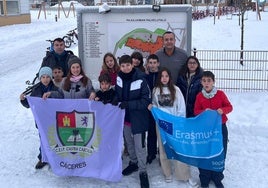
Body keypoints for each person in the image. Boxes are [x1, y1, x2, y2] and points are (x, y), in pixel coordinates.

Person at [112, 54, 151, 188]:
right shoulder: (119, 78)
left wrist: (129, 104)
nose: (126, 68)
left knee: (140, 146)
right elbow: (118, 92)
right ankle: (133, 163)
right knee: (129, 142)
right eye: (123, 66)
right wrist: (115, 98)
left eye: (128, 65)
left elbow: (146, 101)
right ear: (120, 66)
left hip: (138, 118)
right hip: (125, 118)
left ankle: (143, 171)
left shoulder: (141, 79)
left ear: (132, 65)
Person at [149, 67, 191, 184]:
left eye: (166, 76)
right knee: (163, 149)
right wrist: (153, 109)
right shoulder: (156, 90)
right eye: (162, 76)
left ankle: (183, 174)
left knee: (178, 148)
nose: (164, 78)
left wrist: (179, 122)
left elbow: (181, 107)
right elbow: (155, 106)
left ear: (170, 78)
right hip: (161, 125)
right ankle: (167, 172)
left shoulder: (176, 90)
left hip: (175, 124)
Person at [194, 71, 233, 188]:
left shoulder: (220, 94)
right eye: (204, 81)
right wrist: (203, 112)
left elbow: (229, 107)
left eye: (209, 81)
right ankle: (204, 178)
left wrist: (222, 110)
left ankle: (217, 177)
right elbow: (196, 111)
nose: (206, 83)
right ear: (201, 82)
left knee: (220, 152)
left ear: (213, 82)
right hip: (205, 130)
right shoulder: (199, 96)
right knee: (205, 152)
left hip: (220, 128)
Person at [20, 66, 64, 169]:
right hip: (41, 120)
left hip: (53, 119)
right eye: (43, 77)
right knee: (43, 139)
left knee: (55, 139)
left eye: (47, 77)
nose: (45, 79)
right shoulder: (35, 89)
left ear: (51, 78)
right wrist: (23, 100)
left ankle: (56, 157)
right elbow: (29, 104)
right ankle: (42, 158)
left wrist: (51, 95)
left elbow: (61, 97)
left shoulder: (55, 88)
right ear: (40, 78)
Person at [145, 54, 160, 164]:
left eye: (154, 63)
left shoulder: (162, 75)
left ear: (158, 63)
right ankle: (151, 153)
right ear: (147, 64)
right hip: (149, 108)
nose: (152, 65)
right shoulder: (145, 76)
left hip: (160, 108)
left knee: (161, 131)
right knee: (151, 131)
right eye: (150, 63)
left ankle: (162, 153)